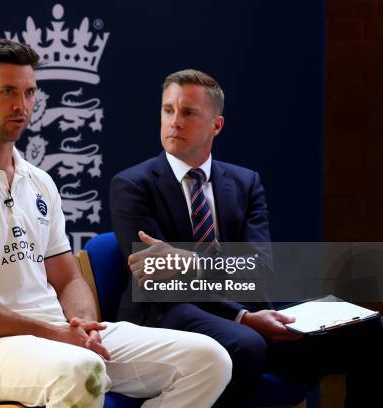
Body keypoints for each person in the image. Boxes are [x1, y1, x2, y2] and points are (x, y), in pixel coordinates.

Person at [0, 39, 231, 408]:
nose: (21, 106)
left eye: (29, 93)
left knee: (210, 360)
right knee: (83, 370)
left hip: (59, 338)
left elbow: (67, 278)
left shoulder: (39, 182)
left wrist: (83, 326)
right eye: (7, 92)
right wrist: (53, 333)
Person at [109, 69, 383, 407]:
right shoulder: (132, 184)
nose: (174, 122)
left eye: (188, 112)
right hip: (169, 313)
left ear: (216, 125)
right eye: (168, 110)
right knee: (247, 342)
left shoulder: (245, 182)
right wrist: (243, 316)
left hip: (250, 310)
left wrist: (191, 263)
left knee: (368, 327)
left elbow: (258, 269)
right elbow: (156, 277)